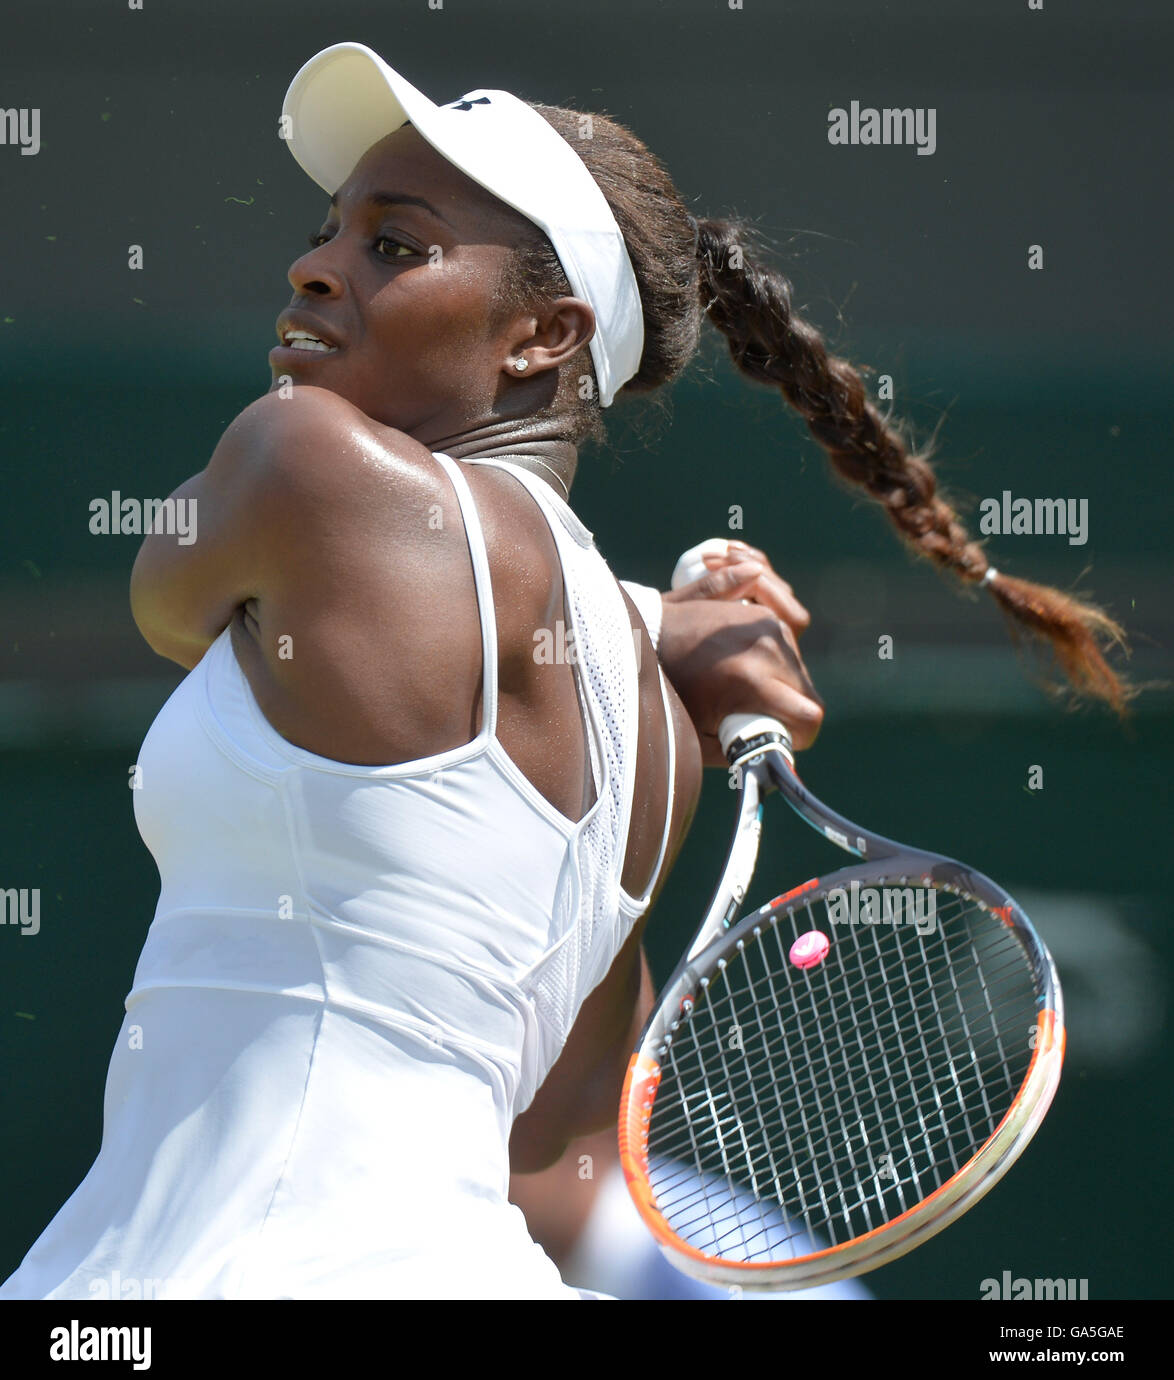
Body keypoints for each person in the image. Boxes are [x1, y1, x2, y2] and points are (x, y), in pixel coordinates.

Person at [1, 42, 1128, 1302]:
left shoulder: (297, 460)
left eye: (395, 244)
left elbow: (168, 597)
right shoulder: (658, 735)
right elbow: (557, 1120)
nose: (312, 264)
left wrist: (662, 618)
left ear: (545, 334)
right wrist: (655, 629)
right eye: (328, 232)